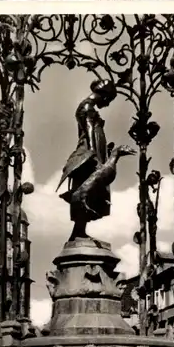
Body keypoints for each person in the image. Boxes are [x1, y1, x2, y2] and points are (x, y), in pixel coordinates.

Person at [56, 79, 117, 240]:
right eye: (108, 100)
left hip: (93, 151)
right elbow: (89, 130)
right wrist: (94, 154)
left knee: (88, 191)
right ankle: (78, 231)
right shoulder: (87, 107)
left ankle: (78, 231)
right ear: (103, 95)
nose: (108, 104)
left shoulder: (86, 106)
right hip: (89, 154)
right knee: (86, 189)